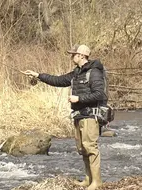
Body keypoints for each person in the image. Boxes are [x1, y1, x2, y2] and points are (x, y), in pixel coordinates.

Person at [22, 44, 106, 190]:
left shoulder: (94, 72)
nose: (71, 56)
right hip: (79, 116)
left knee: (90, 147)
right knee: (82, 148)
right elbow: (58, 80)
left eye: (73, 54)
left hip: (91, 116)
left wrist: (78, 99)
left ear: (81, 56)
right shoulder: (76, 73)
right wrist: (38, 76)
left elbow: (100, 94)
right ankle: (88, 179)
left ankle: (97, 182)